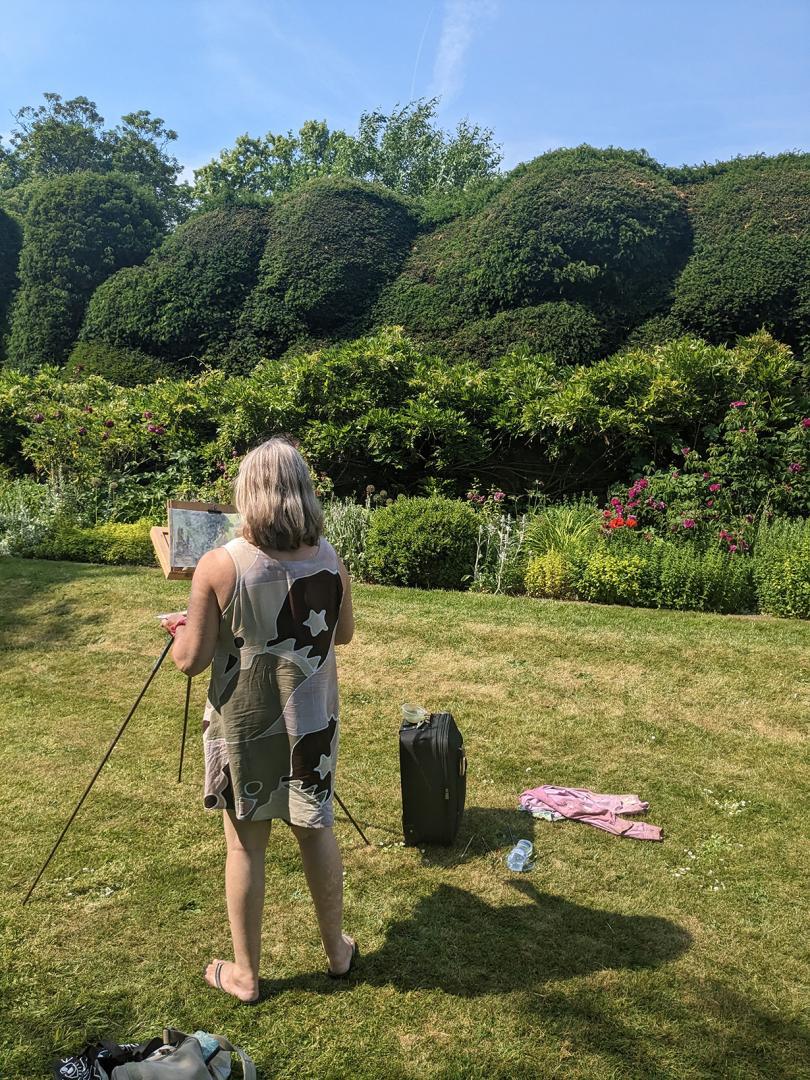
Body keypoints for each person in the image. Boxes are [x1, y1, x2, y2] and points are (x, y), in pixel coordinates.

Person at [161, 437, 357, 1004]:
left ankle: (245, 974)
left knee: (245, 847)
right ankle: (336, 952)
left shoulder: (220, 564)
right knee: (315, 830)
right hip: (312, 726)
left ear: (249, 494)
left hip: (244, 727)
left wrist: (181, 629)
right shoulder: (329, 556)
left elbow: (190, 661)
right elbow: (340, 634)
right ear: (302, 491)